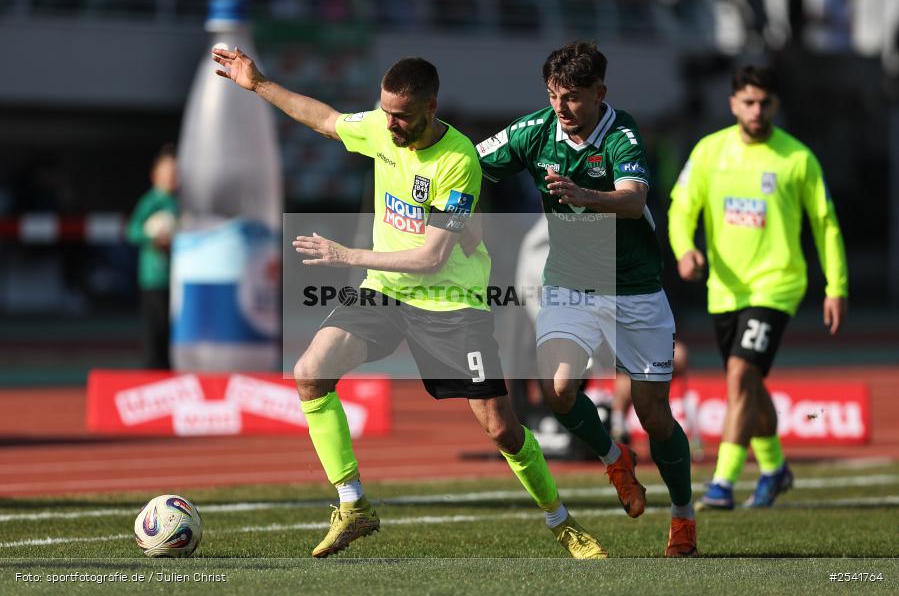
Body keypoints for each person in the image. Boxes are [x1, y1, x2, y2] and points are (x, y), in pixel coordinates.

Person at [212, 48, 606, 559]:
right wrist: (259, 83)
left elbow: (433, 257)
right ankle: (353, 504)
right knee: (310, 371)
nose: (389, 123)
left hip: (451, 302)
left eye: (400, 115)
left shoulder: (458, 160)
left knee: (502, 429)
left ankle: (562, 522)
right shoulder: (380, 126)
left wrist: (343, 254)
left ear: (430, 107)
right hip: (386, 290)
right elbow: (326, 120)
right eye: (384, 111)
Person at [477, 41, 697, 557]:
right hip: (571, 283)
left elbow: (635, 198)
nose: (561, 107)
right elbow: (469, 159)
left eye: (573, 97)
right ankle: (615, 458)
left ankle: (684, 516)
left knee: (654, 414)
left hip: (636, 287)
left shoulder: (621, 135)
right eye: (554, 95)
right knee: (557, 388)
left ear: (600, 93)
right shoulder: (535, 130)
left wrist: (585, 195)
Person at [668, 65, 849, 509]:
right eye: (748, 102)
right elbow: (679, 209)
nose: (756, 110)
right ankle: (775, 468)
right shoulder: (709, 152)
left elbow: (825, 224)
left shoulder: (797, 158)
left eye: (764, 102)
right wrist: (684, 250)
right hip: (725, 290)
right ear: (733, 104)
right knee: (748, 382)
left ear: (776, 105)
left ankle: (723, 483)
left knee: (741, 374)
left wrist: (836, 285)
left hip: (776, 284)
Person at [125, 145, 179, 369]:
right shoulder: (150, 202)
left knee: (172, 332)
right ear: (154, 176)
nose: (170, 179)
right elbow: (132, 231)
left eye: (174, 174)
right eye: (166, 174)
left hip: (176, 281)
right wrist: (154, 238)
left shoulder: (179, 203)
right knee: (154, 330)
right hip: (154, 279)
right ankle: (151, 373)